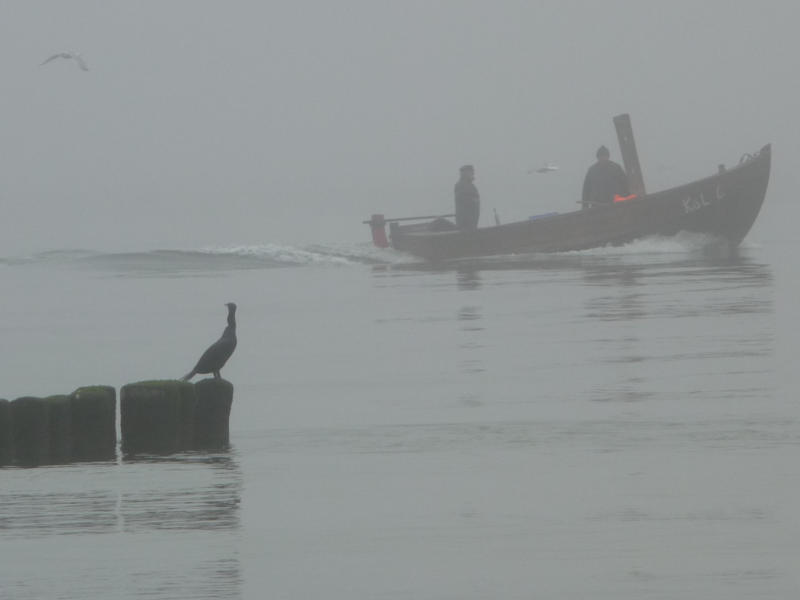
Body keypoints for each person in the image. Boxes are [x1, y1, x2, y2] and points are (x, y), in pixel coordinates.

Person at [454, 164, 480, 230]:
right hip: (465, 223)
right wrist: (473, 200)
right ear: (465, 173)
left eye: (472, 172)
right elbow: (463, 201)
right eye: (470, 172)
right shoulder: (460, 185)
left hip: (473, 222)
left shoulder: (472, 186)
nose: (473, 174)